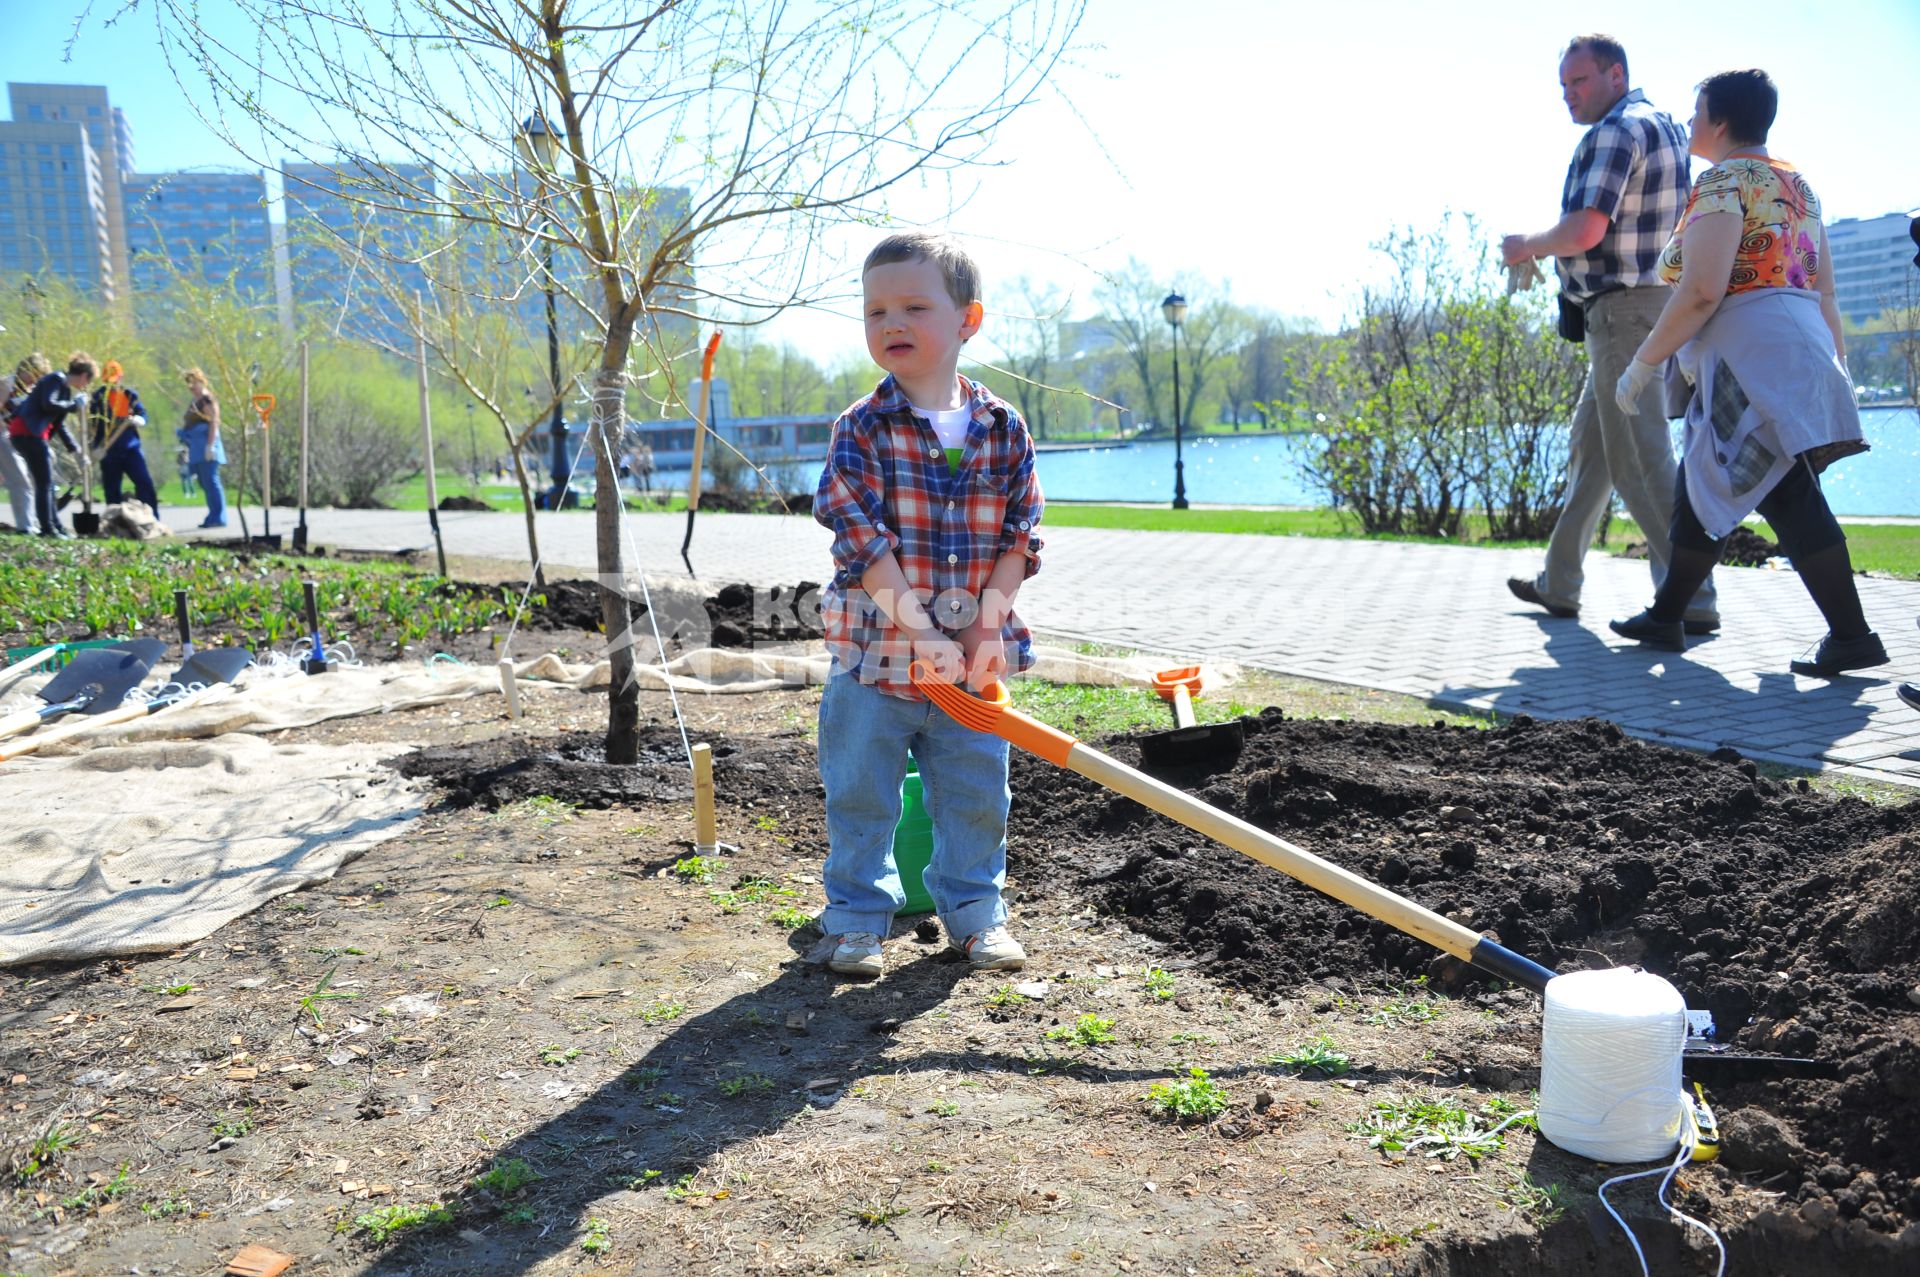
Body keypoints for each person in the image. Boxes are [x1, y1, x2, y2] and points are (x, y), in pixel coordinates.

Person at [808, 231, 1044, 979]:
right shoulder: (861, 428)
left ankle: (976, 915)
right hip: (878, 654)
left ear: (968, 320)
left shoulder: (1003, 428)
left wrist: (985, 621)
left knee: (976, 791)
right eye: (875, 310)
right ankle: (855, 921)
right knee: (862, 793)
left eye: (913, 305)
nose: (891, 323)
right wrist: (918, 630)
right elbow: (861, 542)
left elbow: (1020, 531)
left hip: (970, 667)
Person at [1606, 70, 1884, 677]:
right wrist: (1833, 365)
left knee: (1779, 490)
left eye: (1696, 110)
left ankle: (1853, 634)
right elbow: (1826, 291)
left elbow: (1704, 291)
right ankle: (1668, 613)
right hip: (1797, 346)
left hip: (1749, 355)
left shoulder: (1724, 180)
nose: (1689, 122)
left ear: (1721, 121)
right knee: (1707, 479)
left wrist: (1642, 363)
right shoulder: (1799, 184)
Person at [1501, 34, 1719, 633]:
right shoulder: (1669, 126)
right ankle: (1561, 582)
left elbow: (1585, 230)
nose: (1569, 97)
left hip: (1622, 313)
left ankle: (1690, 600)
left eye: (1580, 83)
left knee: (1641, 461)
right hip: (1653, 305)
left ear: (1615, 75)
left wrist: (1529, 246)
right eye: (1564, 87)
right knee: (1593, 450)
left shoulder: (1613, 132)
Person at [8, 352, 95, 538]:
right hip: (27, 432)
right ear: (84, 376)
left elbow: (60, 425)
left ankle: (56, 527)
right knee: (45, 484)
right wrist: (73, 406)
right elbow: (49, 404)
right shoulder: (55, 379)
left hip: (31, 434)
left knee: (46, 482)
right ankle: (48, 529)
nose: (84, 386)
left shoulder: (63, 388)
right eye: (87, 382)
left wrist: (76, 451)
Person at [88, 360, 161, 520]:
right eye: (109, 381)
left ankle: (151, 518)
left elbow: (143, 414)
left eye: (115, 380)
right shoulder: (98, 398)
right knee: (112, 488)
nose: (112, 384)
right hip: (108, 451)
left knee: (144, 482)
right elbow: (92, 426)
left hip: (131, 449)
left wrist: (139, 419)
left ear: (121, 377)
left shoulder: (129, 395)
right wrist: (93, 448)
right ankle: (114, 521)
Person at [0, 353, 52, 533]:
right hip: (4, 435)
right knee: (20, 479)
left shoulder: (31, 390)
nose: (35, 380)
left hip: (22, 437)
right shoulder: (7, 384)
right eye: (34, 375)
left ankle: (35, 521)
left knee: (36, 478)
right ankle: (25, 525)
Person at [178, 366, 227, 528]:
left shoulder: (207, 399)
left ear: (201, 381)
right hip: (196, 447)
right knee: (204, 482)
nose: (192, 388)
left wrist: (210, 446)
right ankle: (213, 514)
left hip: (207, 445)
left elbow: (213, 421)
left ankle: (218, 516)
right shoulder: (195, 401)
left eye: (194, 384)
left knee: (211, 481)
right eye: (189, 385)